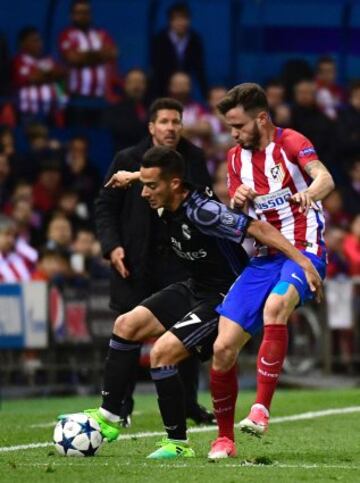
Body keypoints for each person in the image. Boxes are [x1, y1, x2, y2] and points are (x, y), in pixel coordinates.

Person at [61, 145, 321, 459]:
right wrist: (132, 176)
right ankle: (110, 417)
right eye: (144, 184)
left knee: (161, 353)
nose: (144, 194)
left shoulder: (204, 212)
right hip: (194, 287)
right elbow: (164, 177)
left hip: (223, 295)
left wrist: (303, 262)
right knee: (125, 324)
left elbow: (259, 228)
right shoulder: (164, 195)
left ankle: (177, 443)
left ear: (173, 185)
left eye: (151, 186)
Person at [207, 83, 334, 459]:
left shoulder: (291, 141)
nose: (233, 134)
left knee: (275, 309)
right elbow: (240, 214)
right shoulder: (234, 159)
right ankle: (224, 439)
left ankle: (260, 410)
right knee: (222, 347)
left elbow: (324, 177)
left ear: (261, 118)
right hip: (263, 257)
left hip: (305, 251)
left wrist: (311, 193)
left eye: (239, 125)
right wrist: (238, 200)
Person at [95, 97, 213, 427]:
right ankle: (121, 406)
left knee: (186, 336)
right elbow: (105, 207)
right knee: (128, 331)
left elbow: (200, 198)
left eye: (177, 121)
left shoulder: (193, 159)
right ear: (151, 127)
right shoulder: (126, 158)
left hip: (179, 262)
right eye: (164, 122)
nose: (171, 128)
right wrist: (112, 246)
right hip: (133, 261)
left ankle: (188, 404)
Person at [58, 0, 118, 127]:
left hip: (100, 98)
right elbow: (72, 58)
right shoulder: (67, 34)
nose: (83, 15)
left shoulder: (100, 33)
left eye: (86, 12)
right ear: (72, 15)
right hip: (77, 98)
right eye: (79, 12)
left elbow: (113, 53)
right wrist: (99, 54)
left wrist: (84, 55)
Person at [150, 2, 207, 98]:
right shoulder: (160, 39)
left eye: (184, 19)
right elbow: (157, 68)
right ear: (170, 21)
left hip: (186, 87)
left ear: (189, 20)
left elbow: (199, 70)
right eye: (177, 19)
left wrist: (205, 93)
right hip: (163, 88)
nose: (180, 23)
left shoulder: (195, 40)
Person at [12, 26, 64, 125]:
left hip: (50, 113)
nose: (39, 44)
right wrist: (50, 75)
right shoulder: (19, 61)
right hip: (28, 114)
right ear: (23, 44)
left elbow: (61, 73)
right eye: (34, 41)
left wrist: (44, 74)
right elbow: (33, 78)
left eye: (39, 40)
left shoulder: (46, 60)